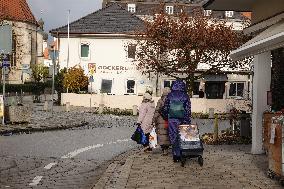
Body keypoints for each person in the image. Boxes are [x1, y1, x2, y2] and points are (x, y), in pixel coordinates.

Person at [162, 80, 191, 162]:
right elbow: (188, 109)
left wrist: (166, 116)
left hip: (172, 119)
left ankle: (176, 155)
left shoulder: (170, 95)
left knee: (173, 135)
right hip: (183, 118)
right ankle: (182, 153)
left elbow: (166, 107)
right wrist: (187, 120)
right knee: (183, 135)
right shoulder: (185, 96)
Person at [152, 87, 171, 156]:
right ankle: (168, 147)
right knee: (167, 134)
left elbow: (157, 111)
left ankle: (164, 150)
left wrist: (153, 119)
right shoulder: (172, 100)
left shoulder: (160, 100)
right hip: (169, 120)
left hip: (161, 120)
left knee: (162, 134)